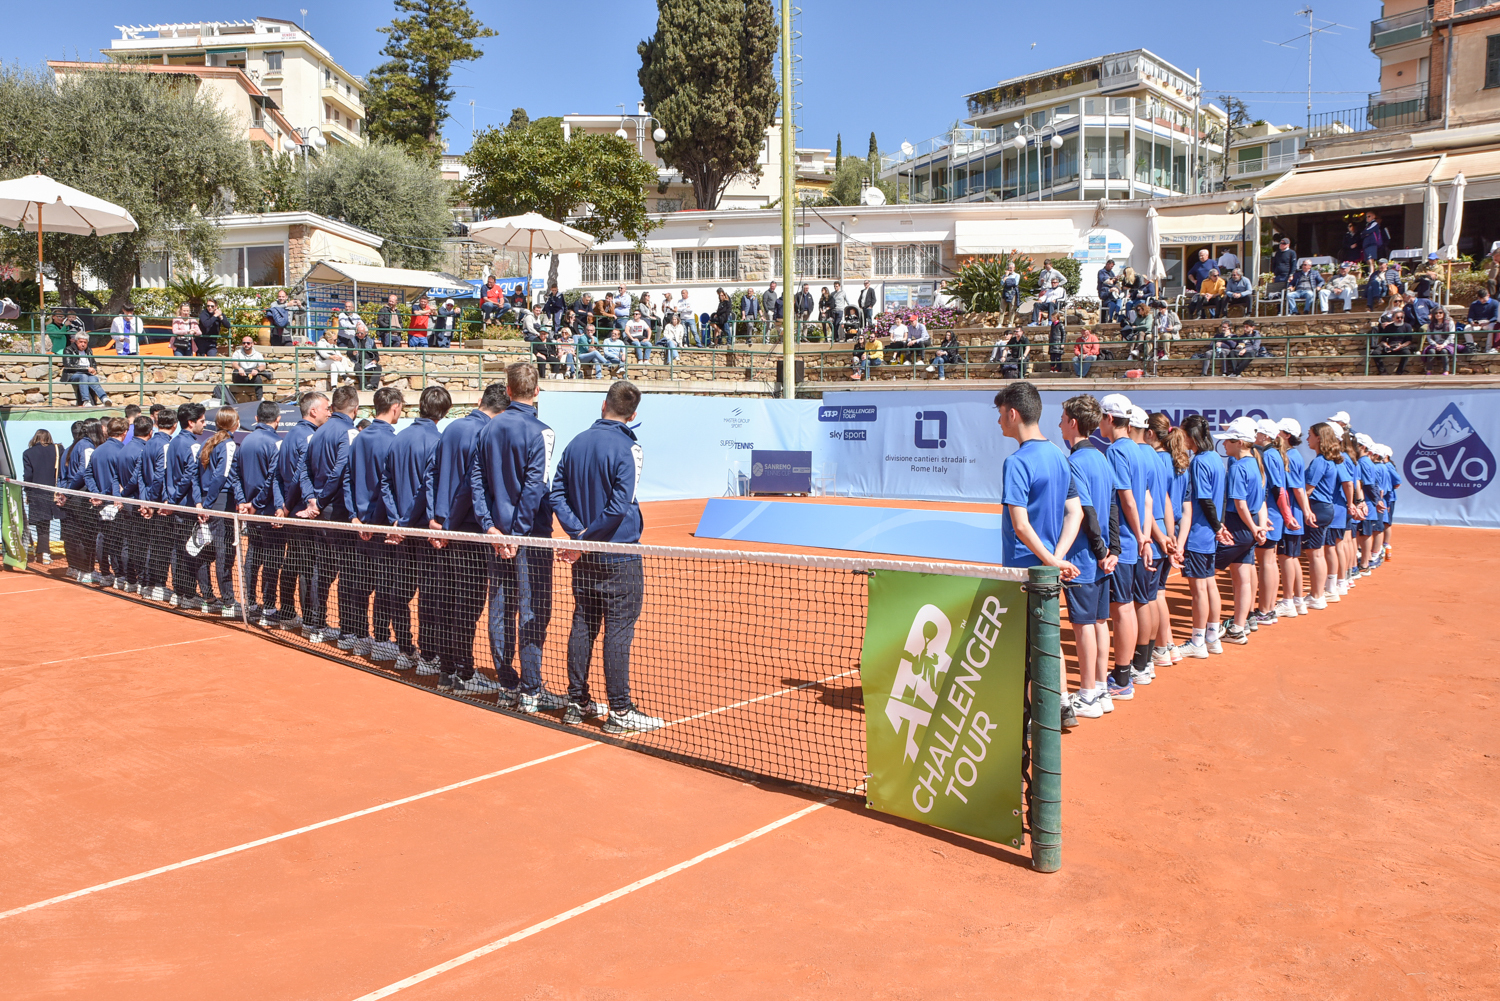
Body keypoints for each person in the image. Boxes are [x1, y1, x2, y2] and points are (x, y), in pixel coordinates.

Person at [548, 380, 663, 733]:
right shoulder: (630, 448)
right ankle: (620, 712)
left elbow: (556, 494)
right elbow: (618, 507)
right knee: (617, 632)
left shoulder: (576, 442)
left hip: (586, 556)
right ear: (633, 415)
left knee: (583, 624)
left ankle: (577, 702)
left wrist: (577, 534)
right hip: (618, 555)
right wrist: (583, 539)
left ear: (603, 405)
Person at [470, 362, 568, 712]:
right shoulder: (543, 432)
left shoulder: (488, 429)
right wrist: (515, 534)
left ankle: (507, 685)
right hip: (528, 538)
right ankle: (530, 690)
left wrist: (490, 527)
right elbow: (534, 487)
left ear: (508, 391)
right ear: (536, 391)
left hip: (499, 537)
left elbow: (477, 482)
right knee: (532, 610)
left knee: (500, 608)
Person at [996, 381, 1083, 725]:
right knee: (1046, 636)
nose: (999, 421)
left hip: (1023, 571)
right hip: (1048, 570)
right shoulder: (1059, 456)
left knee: (1025, 647)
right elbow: (1075, 512)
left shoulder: (1016, 462)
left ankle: (1036, 718)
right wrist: (1057, 559)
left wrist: (1050, 561)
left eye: (1000, 414)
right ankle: (1062, 705)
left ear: (1013, 414)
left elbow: (1021, 525)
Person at [425, 383, 508, 693]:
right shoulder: (486, 433)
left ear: (480, 401)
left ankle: (448, 671)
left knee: (447, 601)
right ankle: (464, 672)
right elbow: (470, 488)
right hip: (466, 531)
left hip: (444, 528)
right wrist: (448, 525)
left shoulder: (451, 428)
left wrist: (435, 518)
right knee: (467, 606)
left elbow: (431, 475)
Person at [1058, 394, 1118, 720]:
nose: (1059, 424)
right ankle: (1101, 691)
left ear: (1073, 423)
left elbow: (1087, 512)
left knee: (1083, 626)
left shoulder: (1074, 463)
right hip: (1102, 558)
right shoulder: (1103, 458)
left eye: (1062, 419)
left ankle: (1087, 694)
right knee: (1098, 623)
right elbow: (1112, 508)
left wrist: (1099, 552)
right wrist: (1113, 551)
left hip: (1085, 558)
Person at [342, 385, 405, 661]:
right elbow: (385, 487)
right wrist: (378, 521)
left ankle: (360, 638)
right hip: (378, 527)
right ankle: (380, 640)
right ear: (395, 407)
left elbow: (347, 480)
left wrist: (355, 517)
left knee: (361, 583)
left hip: (361, 525)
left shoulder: (358, 438)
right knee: (384, 585)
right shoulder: (392, 440)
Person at [297, 384, 360, 646]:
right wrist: (319, 501)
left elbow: (304, 471)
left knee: (321, 569)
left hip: (322, 511)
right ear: (355, 408)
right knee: (347, 572)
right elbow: (341, 470)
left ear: (333, 407)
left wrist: (312, 499)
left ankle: (315, 624)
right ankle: (347, 632)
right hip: (337, 512)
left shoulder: (319, 431)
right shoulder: (348, 431)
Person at [1098, 394, 1151, 700]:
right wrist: (1144, 535)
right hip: (1132, 540)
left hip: (1124, 542)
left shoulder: (1117, 451)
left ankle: (1121, 678)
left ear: (1109, 419)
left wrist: (1140, 536)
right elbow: (1145, 499)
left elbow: (1128, 500)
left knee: (1121, 609)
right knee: (1127, 606)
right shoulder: (1137, 450)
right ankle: (1127, 672)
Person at [1174, 414, 1231, 657]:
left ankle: (1198, 641)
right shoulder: (1216, 458)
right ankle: (1212, 637)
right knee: (1209, 584)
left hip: (1199, 534)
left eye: (1183, 435)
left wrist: (1217, 527)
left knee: (1199, 590)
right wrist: (1219, 526)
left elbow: (1206, 500)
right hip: (1208, 534)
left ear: (1191, 436)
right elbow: (1219, 498)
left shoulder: (1198, 462)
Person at [271, 392, 328, 635]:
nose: (329, 412)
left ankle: (287, 613)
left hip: (292, 510)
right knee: (307, 567)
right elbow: (298, 477)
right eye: (326, 408)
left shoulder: (290, 434)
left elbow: (277, 476)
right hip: (302, 511)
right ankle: (310, 621)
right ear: (313, 411)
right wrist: (286, 505)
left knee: (293, 562)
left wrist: (281, 505)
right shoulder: (307, 436)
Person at [1213, 416, 1267, 645]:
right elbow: (1261, 502)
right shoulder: (1256, 464)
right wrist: (1259, 527)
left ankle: (1208, 630)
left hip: (1237, 526)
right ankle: (1238, 626)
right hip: (1249, 527)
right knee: (1243, 577)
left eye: (1229, 440)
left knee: (1205, 572)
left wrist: (1254, 528)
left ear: (1240, 443)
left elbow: (1240, 503)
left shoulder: (1238, 467)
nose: (1224, 444)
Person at [235, 400, 286, 627]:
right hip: (267, 513)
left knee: (253, 556)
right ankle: (268, 607)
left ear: (256, 419)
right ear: (278, 420)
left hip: (252, 511)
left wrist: (243, 502)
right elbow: (272, 480)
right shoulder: (276, 443)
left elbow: (235, 475)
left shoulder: (245, 441)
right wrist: (254, 504)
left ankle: (249, 603)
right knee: (271, 559)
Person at [191, 407, 242, 616]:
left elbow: (195, 478)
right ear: (234, 424)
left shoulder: (207, 442)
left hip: (208, 503)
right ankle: (228, 603)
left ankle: (208, 598)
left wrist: (200, 503)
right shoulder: (228, 445)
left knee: (206, 552)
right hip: (220, 505)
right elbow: (220, 477)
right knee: (224, 553)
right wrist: (208, 505)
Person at [1275, 418, 1311, 615]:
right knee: (1292, 557)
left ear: (1287, 435)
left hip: (1290, 516)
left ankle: (1288, 601)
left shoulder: (1290, 457)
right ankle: (1298, 600)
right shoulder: (1292, 455)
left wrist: (1305, 511)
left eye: (1279, 432)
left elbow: (1298, 488)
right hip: (1292, 514)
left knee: (1286, 557)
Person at [22, 429, 65, 564]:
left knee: (42, 524)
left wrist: (28, 492)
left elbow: (28, 475)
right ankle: (72, 558)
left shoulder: (28, 453)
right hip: (57, 492)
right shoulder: (58, 449)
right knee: (66, 522)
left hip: (37, 493)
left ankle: (43, 553)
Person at [62, 331, 108, 406]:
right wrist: (86, 369)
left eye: (85, 342)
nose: (83, 344)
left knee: (94, 378)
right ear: (76, 341)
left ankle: (104, 398)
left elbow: (93, 362)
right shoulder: (68, 350)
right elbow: (68, 365)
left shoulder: (89, 350)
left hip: (87, 374)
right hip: (73, 374)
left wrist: (94, 369)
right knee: (83, 376)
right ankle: (86, 400)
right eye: (81, 342)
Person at [231, 335, 271, 399]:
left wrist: (257, 370)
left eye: (248, 343)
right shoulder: (237, 353)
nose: (246, 345)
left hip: (251, 376)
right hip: (240, 376)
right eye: (244, 343)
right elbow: (234, 363)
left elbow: (262, 366)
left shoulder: (257, 354)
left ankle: (260, 399)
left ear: (252, 344)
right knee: (235, 372)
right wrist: (239, 368)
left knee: (257, 378)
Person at [1269, 237, 1296, 302]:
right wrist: (1273, 274)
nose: (1281, 245)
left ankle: (1287, 307)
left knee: (1286, 293)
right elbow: (1274, 264)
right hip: (1278, 276)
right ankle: (1278, 308)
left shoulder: (1291, 253)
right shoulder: (1278, 253)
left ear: (1288, 245)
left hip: (1286, 275)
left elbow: (1293, 264)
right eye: (1281, 243)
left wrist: (1291, 274)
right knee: (1277, 293)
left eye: (1283, 243)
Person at [1097, 259, 1121, 324]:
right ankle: (1103, 322)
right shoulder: (1101, 272)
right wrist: (1112, 280)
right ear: (1107, 264)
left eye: (1112, 266)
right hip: (1104, 291)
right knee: (1105, 308)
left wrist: (1116, 280)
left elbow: (1113, 283)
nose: (1111, 268)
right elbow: (1105, 281)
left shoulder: (1111, 272)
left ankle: (1113, 316)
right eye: (1111, 266)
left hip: (1111, 294)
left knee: (1115, 302)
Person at [1000, 262, 1021, 327]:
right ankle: (1000, 323)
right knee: (1002, 308)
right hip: (1005, 292)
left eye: (1011, 268)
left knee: (1012, 308)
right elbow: (1002, 283)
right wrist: (1006, 276)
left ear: (1014, 268)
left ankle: (1010, 323)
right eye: (1009, 268)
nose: (1010, 269)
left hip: (1012, 293)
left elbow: (1015, 283)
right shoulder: (1005, 276)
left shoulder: (1017, 275)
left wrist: (1007, 281)